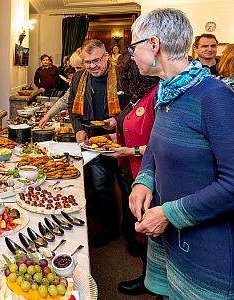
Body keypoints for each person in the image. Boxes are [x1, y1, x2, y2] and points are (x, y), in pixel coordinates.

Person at [128, 8, 234, 299]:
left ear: (153, 44)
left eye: (134, 46)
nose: (131, 54)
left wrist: (169, 213)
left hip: (212, 250)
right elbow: (155, 146)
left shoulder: (214, 96)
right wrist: (144, 180)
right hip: (175, 240)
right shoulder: (166, 91)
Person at [100, 53, 159, 296]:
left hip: (147, 173)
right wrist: (114, 134)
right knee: (139, 228)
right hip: (128, 170)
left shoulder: (156, 96)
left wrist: (130, 150)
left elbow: (161, 143)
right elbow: (129, 126)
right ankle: (149, 277)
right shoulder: (136, 98)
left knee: (150, 230)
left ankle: (153, 282)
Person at [69, 39, 124, 247]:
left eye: (96, 60)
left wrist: (117, 121)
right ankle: (109, 229)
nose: (92, 66)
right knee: (102, 186)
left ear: (107, 56)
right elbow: (71, 107)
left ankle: (132, 234)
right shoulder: (78, 78)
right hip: (93, 140)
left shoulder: (122, 75)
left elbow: (135, 105)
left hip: (121, 139)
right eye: (87, 61)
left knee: (127, 186)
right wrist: (79, 130)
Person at [38, 49, 84, 128]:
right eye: (74, 69)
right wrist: (48, 115)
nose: (76, 72)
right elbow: (65, 100)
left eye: (79, 68)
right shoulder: (77, 80)